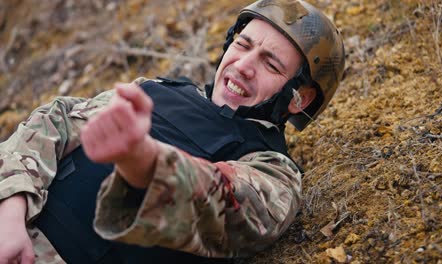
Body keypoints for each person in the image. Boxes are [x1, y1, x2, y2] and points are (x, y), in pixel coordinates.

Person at [0, 0, 345, 263]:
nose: (243, 66)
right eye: (242, 45)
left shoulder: (274, 171)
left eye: (270, 64)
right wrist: (11, 209)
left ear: (301, 98)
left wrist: (140, 158)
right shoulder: (155, 90)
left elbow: (220, 205)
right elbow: (54, 123)